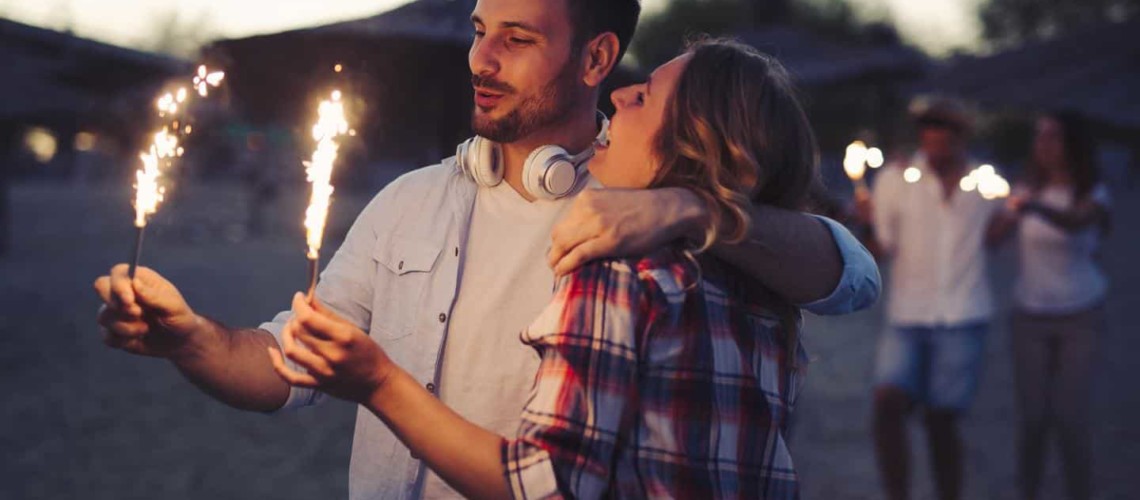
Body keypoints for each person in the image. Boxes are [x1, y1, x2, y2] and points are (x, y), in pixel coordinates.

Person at [93, 1, 880, 498]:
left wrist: (688, 206)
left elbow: (854, 275)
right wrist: (192, 340)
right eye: (478, 32)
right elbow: (285, 364)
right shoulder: (407, 201)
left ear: (596, 59)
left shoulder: (635, 217)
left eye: (516, 38)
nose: (480, 59)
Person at [268, 37, 820, 500]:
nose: (621, 93)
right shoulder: (768, 292)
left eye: (644, 97)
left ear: (693, 147)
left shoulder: (614, 271)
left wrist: (379, 382)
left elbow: (545, 486)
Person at [854, 97, 1012, 500]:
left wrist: (1014, 215)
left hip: (964, 315)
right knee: (887, 404)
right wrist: (863, 221)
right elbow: (881, 247)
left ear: (962, 135)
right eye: (929, 128)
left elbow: (996, 236)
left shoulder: (985, 183)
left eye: (945, 128)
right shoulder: (896, 179)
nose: (936, 136)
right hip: (908, 315)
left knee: (942, 420)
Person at [1007, 112, 1111, 500]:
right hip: (1029, 316)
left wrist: (1032, 207)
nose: (1043, 144)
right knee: (1033, 420)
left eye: (1053, 136)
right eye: (1039, 135)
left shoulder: (1093, 193)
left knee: (1070, 420)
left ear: (1072, 143)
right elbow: (994, 234)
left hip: (1080, 315)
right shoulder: (1026, 189)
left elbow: (1075, 222)